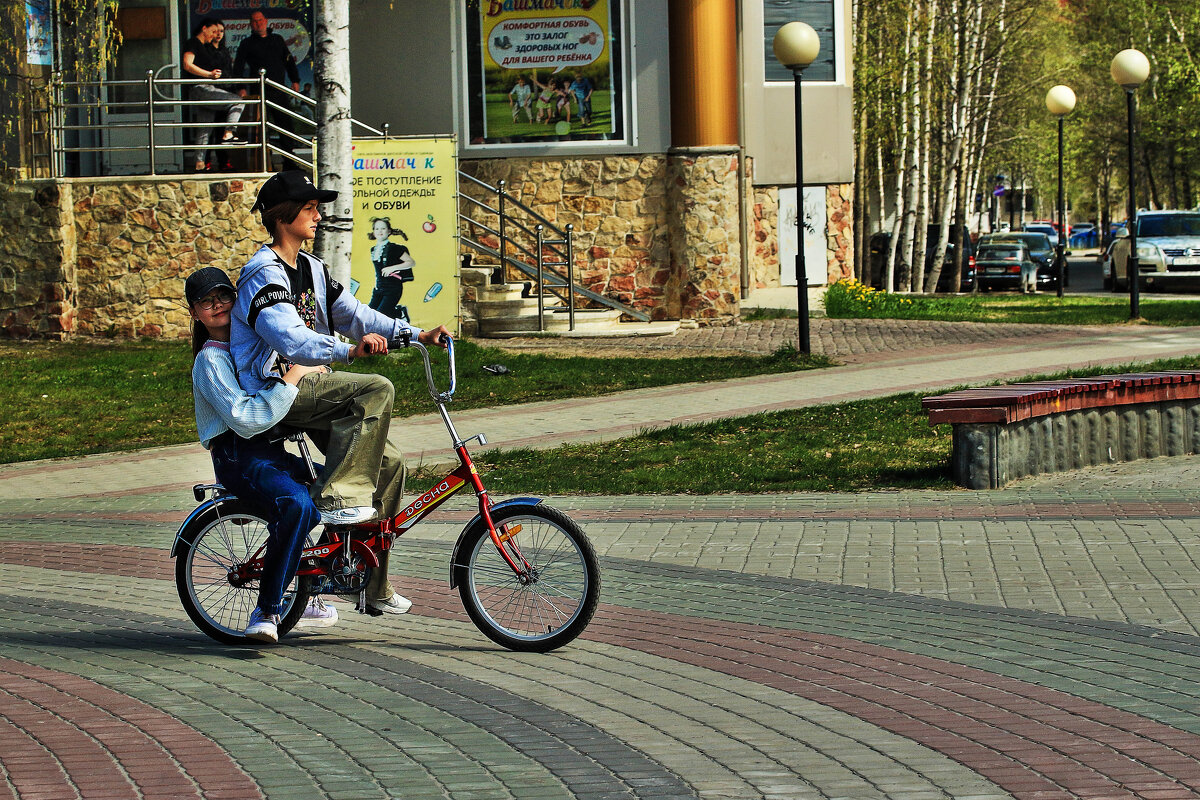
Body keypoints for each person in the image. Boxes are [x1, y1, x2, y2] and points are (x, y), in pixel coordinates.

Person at [231, 169, 451, 615]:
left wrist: (416, 334)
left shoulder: (311, 268)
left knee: (390, 465)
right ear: (283, 216)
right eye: (309, 208)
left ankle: (367, 583)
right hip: (280, 388)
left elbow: (356, 314)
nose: (317, 216)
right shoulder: (263, 273)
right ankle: (336, 499)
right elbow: (289, 339)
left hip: (315, 385)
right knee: (376, 389)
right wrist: (349, 351)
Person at [186, 266, 338, 643]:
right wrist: (293, 377)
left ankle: (310, 587)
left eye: (224, 295)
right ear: (194, 313)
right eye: (206, 301)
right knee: (297, 504)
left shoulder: (250, 347)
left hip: (269, 451)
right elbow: (247, 419)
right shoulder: (210, 360)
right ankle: (267, 610)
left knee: (339, 489)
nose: (218, 305)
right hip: (238, 457)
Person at [234, 11, 301, 159]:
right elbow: (238, 66)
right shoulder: (247, 43)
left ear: (266, 21)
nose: (258, 23)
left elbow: (288, 61)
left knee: (285, 126)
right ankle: (263, 161)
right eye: (254, 21)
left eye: (260, 20)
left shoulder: (277, 40)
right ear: (251, 24)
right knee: (261, 129)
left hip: (278, 89)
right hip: (259, 91)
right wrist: (240, 87)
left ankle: (289, 160)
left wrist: (295, 80)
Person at [182, 18, 245, 172]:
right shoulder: (193, 43)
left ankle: (200, 164)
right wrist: (209, 74)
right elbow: (187, 64)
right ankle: (229, 133)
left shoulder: (208, 47)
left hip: (209, 88)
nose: (215, 35)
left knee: (205, 128)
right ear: (204, 28)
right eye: (213, 31)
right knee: (238, 101)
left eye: (219, 32)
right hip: (201, 88)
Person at [366, 217, 415, 321]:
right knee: (369, 314)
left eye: (383, 228)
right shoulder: (373, 250)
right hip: (378, 288)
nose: (380, 231)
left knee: (379, 316)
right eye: (377, 229)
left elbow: (411, 262)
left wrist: (392, 268)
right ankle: (397, 312)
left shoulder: (394, 248)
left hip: (392, 288)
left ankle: (398, 313)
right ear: (373, 232)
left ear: (389, 231)